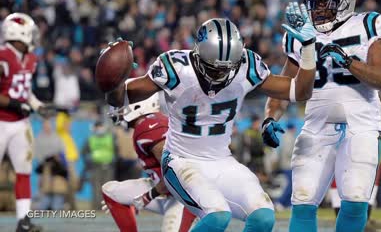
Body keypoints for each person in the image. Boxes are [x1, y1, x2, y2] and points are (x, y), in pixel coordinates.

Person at [104, 15, 317, 232]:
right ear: (198, 55)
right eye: (215, 69)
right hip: (181, 160)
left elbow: (300, 91)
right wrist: (113, 79)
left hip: (221, 160)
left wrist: (308, 51)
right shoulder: (176, 68)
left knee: (263, 217)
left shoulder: (247, 65)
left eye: (228, 67)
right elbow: (120, 99)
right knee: (217, 216)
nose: (222, 74)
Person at [263, 0, 381, 232]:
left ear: (345, 2)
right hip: (316, 126)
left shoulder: (367, 25)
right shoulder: (300, 34)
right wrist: (270, 117)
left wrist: (348, 61)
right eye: (314, 3)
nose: (318, 9)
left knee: (356, 198)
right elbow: (285, 85)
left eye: (326, 2)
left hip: (361, 126)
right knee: (302, 199)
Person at [102, 93, 195, 232]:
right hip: (167, 191)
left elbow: (176, 174)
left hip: (183, 197)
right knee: (111, 192)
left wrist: (146, 197)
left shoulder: (149, 127)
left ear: (139, 104)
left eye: (123, 104)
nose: (118, 109)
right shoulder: (148, 124)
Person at [0, 13, 50, 232]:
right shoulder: (2, 56)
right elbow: (12, 96)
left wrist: (39, 106)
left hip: (21, 124)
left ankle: (24, 221)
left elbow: (25, 91)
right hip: (1, 122)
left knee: (24, 171)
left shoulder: (30, 58)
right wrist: (13, 104)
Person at [34, 119, 68, 210]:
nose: (47, 127)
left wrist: (57, 159)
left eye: (48, 125)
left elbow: (62, 151)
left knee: (58, 189)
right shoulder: (39, 138)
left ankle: (58, 206)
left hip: (57, 169)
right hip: (45, 168)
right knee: (45, 189)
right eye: (45, 125)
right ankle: (43, 207)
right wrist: (45, 161)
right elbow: (37, 153)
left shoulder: (57, 138)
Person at [82, 120, 115, 209]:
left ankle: (108, 207)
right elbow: (84, 153)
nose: (100, 129)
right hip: (95, 167)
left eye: (101, 126)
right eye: (98, 127)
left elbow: (116, 151)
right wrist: (89, 163)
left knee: (108, 189)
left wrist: (113, 161)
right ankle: (97, 208)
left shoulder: (110, 138)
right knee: (96, 188)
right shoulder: (91, 139)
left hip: (108, 166)